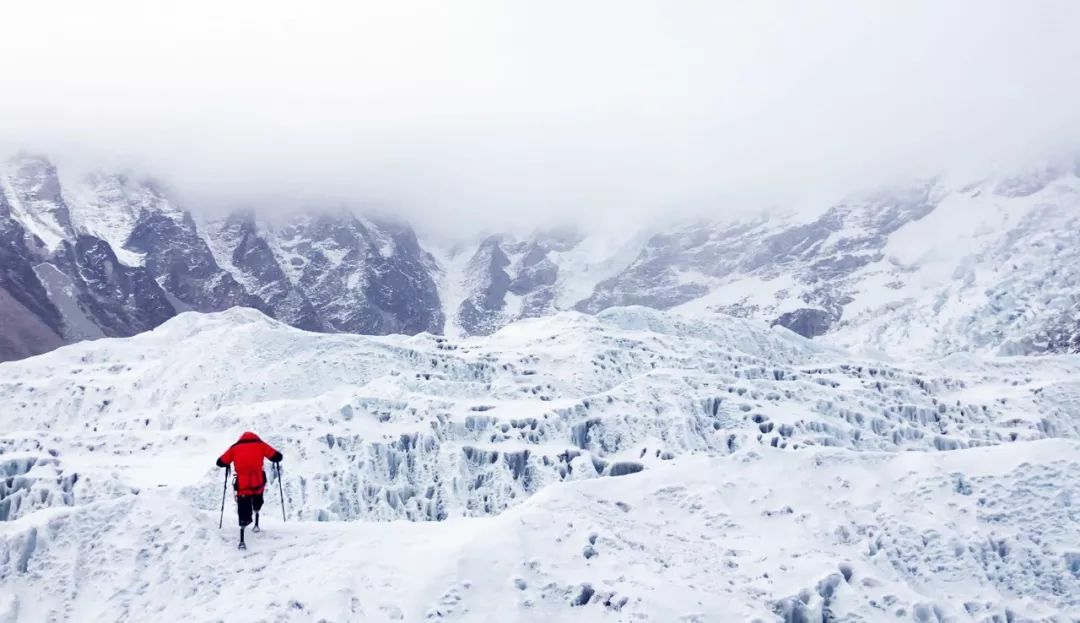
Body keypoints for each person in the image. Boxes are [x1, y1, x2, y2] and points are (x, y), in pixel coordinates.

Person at [216, 431, 283, 549]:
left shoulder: (235, 448)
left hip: (242, 485)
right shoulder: (260, 445)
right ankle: (256, 513)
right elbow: (277, 456)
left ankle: (243, 530)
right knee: (258, 500)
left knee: (244, 508)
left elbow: (220, 462)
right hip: (258, 481)